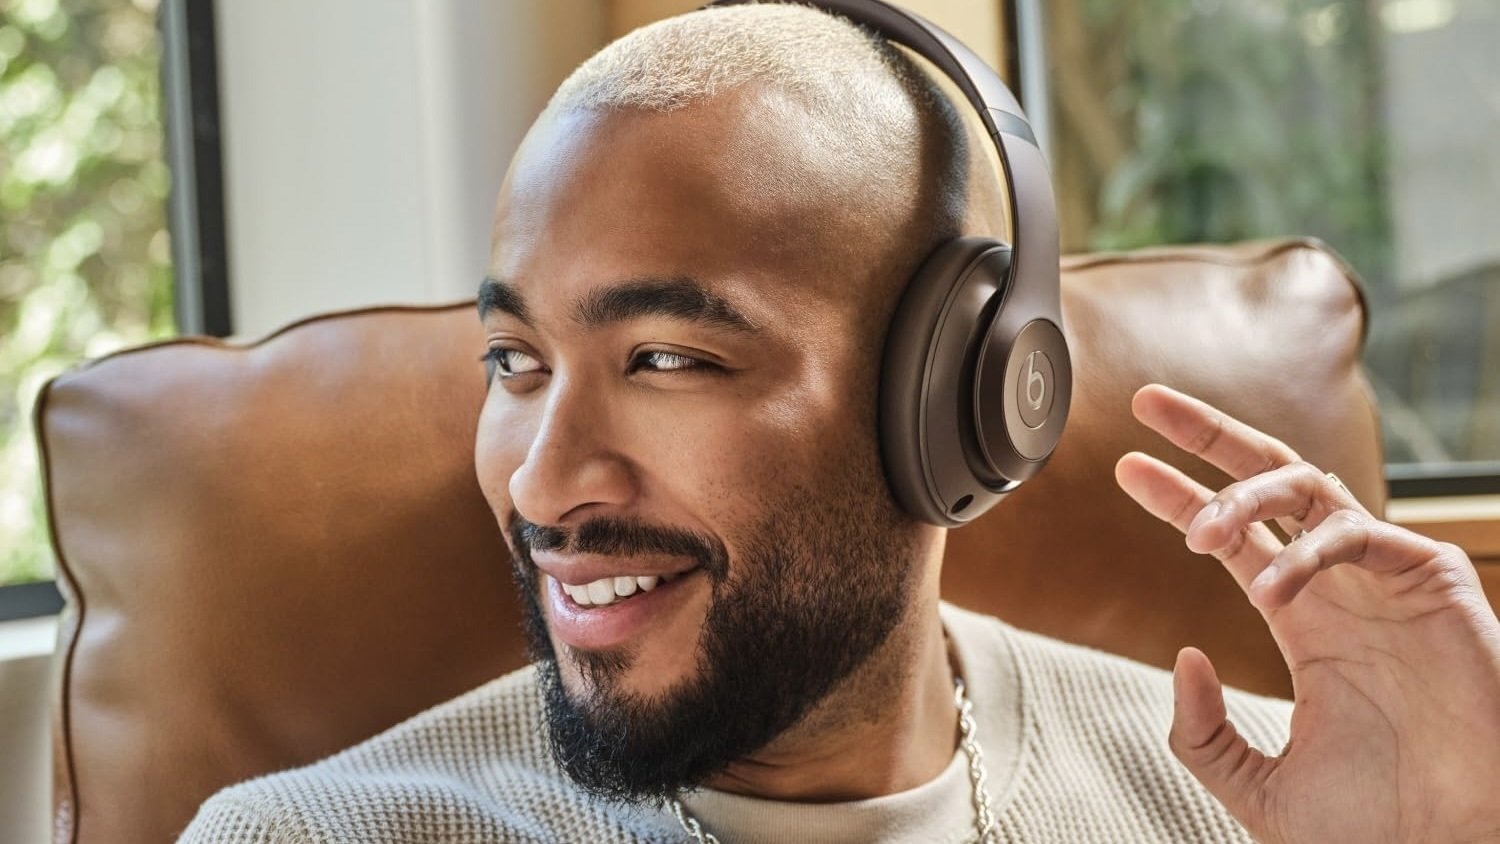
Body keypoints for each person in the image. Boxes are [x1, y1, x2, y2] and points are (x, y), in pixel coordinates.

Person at [179, 4, 1500, 842]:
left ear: (959, 404)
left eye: (666, 357)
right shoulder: (315, 839)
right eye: (514, 359)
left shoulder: (1251, 806)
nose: (539, 482)